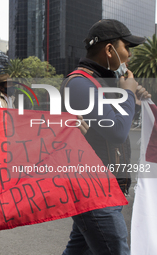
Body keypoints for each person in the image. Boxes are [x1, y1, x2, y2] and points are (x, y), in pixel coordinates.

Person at [61, 19, 151, 255]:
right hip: (95, 192)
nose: (129, 55)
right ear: (109, 49)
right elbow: (117, 132)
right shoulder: (79, 84)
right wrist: (128, 94)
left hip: (102, 188)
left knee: (78, 250)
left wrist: (132, 97)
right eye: (127, 47)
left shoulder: (100, 83)